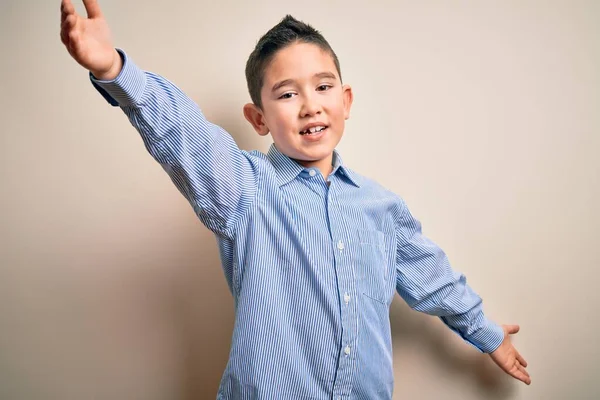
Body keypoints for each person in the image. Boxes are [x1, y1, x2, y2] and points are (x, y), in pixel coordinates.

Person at [59, 0, 531, 398]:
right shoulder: (246, 188)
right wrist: (116, 70)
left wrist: (487, 334)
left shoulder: (381, 207)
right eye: (287, 94)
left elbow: (433, 277)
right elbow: (185, 133)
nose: (310, 104)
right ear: (258, 117)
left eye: (323, 87)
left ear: (345, 101)